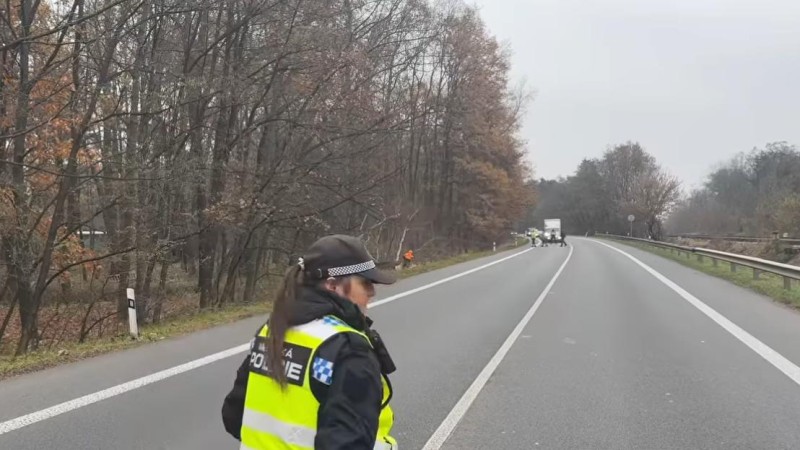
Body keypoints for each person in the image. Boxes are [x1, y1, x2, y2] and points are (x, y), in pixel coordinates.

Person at [222, 234, 398, 450]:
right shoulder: (348, 348)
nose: (372, 292)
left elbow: (233, 417)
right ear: (333, 285)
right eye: (365, 283)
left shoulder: (273, 331)